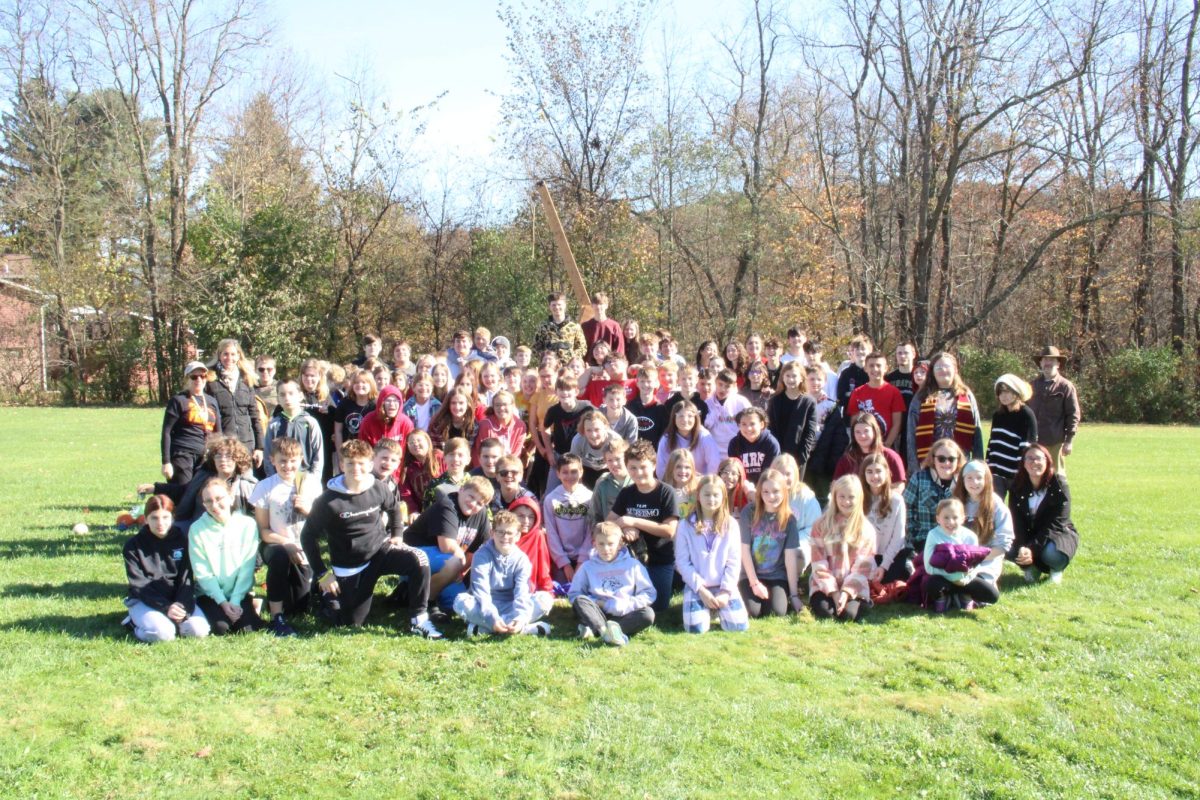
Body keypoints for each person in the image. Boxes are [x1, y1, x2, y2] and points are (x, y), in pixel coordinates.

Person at [301, 440, 442, 637]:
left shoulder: (378, 487)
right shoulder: (328, 501)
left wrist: (397, 535)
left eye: (361, 463)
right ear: (341, 465)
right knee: (350, 623)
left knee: (419, 559)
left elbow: (394, 509)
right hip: (350, 564)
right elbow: (307, 537)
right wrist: (322, 574)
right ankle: (326, 594)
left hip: (380, 550)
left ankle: (418, 619)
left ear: (370, 464)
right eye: (350, 463)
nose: (356, 468)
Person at [251, 436, 320, 637]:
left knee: (299, 608)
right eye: (282, 461)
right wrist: (287, 543)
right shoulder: (265, 486)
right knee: (280, 556)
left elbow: (322, 526)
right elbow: (263, 530)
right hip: (275, 543)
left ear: (300, 459)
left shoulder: (311, 483)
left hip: (303, 548)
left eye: (292, 461)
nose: (288, 466)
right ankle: (276, 616)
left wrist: (309, 511)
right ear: (272, 460)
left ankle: (277, 600)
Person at [122, 494, 210, 642]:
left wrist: (181, 605)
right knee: (163, 635)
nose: (160, 523)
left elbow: (186, 579)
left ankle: (171, 622)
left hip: (177, 600)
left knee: (199, 631)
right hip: (145, 599)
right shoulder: (133, 546)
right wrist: (165, 607)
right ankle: (134, 624)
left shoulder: (183, 541)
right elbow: (139, 585)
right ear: (146, 518)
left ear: (173, 517)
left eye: (165, 517)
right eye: (154, 518)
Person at [452, 510, 554, 637]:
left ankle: (489, 628)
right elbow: (481, 590)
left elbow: (521, 592)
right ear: (492, 533)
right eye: (500, 532)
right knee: (460, 601)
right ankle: (522, 629)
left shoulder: (522, 559)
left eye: (510, 533)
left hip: (511, 605)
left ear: (518, 536)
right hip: (484, 605)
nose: (505, 537)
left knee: (545, 599)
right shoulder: (481, 555)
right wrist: (492, 617)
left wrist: (519, 617)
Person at [608, 439, 680, 616]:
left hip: (661, 560)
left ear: (654, 465)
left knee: (659, 607)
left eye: (643, 467)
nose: (638, 472)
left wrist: (633, 521)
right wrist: (623, 528)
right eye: (632, 468)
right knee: (629, 605)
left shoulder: (666, 492)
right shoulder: (627, 493)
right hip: (632, 562)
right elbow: (607, 524)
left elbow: (670, 530)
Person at [402, 475, 494, 612]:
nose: (474, 504)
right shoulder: (448, 505)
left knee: (456, 604)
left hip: (445, 562)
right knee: (455, 562)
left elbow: (474, 551)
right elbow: (447, 545)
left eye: (480, 503)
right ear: (461, 490)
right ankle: (426, 602)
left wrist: (460, 573)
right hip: (412, 556)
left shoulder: (481, 515)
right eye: (471, 497)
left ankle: (407, 593)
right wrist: (460, 566)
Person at [675, 475, 749, 634]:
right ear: (698, 497)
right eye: (707, 494)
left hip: (722, 586)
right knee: (696, 629)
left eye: (716, 495)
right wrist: (701, 590)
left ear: (723, 497)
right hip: (698, 587)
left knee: (738, 627)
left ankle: (716, 609)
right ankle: (704, 608)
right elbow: (682, 563)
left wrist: (726, 591)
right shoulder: (685, 525)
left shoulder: (731, 524)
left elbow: (734, 561)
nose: (711, 499)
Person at [188, 478, 262, 635]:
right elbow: (203, 572)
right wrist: (222, 602)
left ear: (230, 497)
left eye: (218, 499)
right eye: (208, 501)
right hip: (211, 595)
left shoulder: (248, 525)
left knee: (247, 629)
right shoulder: (196, 529)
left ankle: (253, 604)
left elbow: (247, 568)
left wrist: (235, 601)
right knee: (221, 628)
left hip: (238, 592)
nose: (214, 506)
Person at [569, 521, 657, 646]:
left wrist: (628, 605)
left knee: (648, 614)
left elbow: (649, 593)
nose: (606, 549)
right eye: (601, 544)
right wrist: (601, 603)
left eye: (611, 544)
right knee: (580, 601)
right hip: (598, 612)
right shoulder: (587, 567)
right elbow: (574, 594)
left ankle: (608, 631)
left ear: (620, 544)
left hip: (625, 613)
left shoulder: (633, 565)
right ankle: (604, 632)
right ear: (594, 544)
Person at [808, 475, 876, 622]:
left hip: (853, 587)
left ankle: (861, 603)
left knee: (847, 615)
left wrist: (845, 592)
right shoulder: (820, 525)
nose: (846, 501)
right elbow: (818, 563)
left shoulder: (866, 529)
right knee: (825, 612)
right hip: (823, 585)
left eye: (851, 497)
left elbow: (862, 568)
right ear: (835, 497)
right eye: (842, 496)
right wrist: (833, 592)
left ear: (859, 499)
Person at [1008, 444, 1079, 584]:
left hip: (1057, 534)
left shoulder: (1059, 484)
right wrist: (1022, 547)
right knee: (1006, 547)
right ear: (1023, 463)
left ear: (1047, 461)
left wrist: (1031, 548)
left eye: (1039, 458)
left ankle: (1056, 570)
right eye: (1029, 458)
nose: (1034, 462)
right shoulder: (1017, 486)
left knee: (1052, 554)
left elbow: (1056, 523)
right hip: (1030, 534)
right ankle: (1032, 568)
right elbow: (1016, 522)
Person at [738, 470, 803, 618]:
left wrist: (794, 595)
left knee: (777, 612)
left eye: (775, 491)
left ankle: (779, 597)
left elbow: (790, 557)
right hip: (750, 575)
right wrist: (754, 583)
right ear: (759, 492)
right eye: (765, 491)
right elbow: (744, 550)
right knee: (753, 611)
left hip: (776, 576)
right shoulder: (749, 512)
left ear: (784, 492)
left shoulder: (789, 519)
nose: (770, 496)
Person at [906, 351, 983, 472]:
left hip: (960, 462)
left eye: (947, 366)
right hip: (930, 462)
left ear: (955, 370)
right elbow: (911, 433)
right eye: (938, 367)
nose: (943, 370)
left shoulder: (966, 395)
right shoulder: (921, 397)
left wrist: (978, 464)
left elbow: (977, 431)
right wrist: (914, 468)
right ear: (932, 372)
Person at [921, 498, 999, 612]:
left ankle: (964, 595)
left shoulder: (970, 536)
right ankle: (943, 598)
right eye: (946, 517)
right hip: (943, 578)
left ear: (963, 519)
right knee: (932, 584)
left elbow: (975, 564)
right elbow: (929, 567)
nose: (950, 522)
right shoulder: (933, 535)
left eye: (955, 517)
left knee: (992, 595)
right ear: (938, 519)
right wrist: (953, 578)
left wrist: (965, 580)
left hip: (964, 580)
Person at [953, 460, 1014, 596]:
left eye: (979, 478)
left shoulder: (996, 505)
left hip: (987, 559)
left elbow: (1003, 544)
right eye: (969, 478)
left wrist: (976, 560)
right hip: (959, 559)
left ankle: (967, 591)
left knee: (983, 588)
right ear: (962, 480)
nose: (974, 482)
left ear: (986, 479)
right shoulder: (956, 502)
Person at [168, 435, 258, 527]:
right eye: (218, 456)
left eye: (228, 456)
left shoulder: (247, 485)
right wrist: (156, 488)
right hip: (201, 528)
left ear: (237, 459)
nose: (223, 460)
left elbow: (255, 516)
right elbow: (185, 490)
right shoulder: (202, 478)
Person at [160, 359, 221, 486]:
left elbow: (218, 433)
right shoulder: (178, 401)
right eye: (194, 377)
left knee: (201, 493)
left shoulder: (212, 401)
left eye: (202, 376)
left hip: (205, 456)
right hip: (183, 454)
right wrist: (166, 462)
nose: (198, 379)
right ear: (187, 380)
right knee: (182, 491)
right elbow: (166, 432)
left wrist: (218, 455)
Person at [205, 339, 264, 469]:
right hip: (223, 444)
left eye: (233, 354)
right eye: (225, 354)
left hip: (246, 444)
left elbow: (254, 415)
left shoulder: (247, 379)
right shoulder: (210, 381)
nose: (229, 358)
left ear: (238, 356)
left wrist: (260, 447)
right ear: (219, 355)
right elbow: (208, 417)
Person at [903, 438, 965, 557]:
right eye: (941, 459)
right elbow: (906, 508)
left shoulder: (964, 482)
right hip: (923, 538)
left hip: (954, 539)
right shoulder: (919, 478)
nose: (946, 463)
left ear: (958, 460)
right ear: (933, 459)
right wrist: (912, 534)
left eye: (951, 459)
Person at [1027, 345, 1081, 476]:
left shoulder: (1066, 387)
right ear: (1040, 363)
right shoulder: (1031, 386)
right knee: (1033, 476)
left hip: (1055, 442)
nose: (1047, 363)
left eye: (1051, 360)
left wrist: (1069, 441)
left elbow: (1073, 414)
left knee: (1057, 477)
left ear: (1058, 363)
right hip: (1033, 442)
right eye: (1045, 359)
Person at [543, 453, 594, 583]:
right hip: (561, 558)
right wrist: (565, 564)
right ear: (558, 474)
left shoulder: (590, 497)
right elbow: (551, 533)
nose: (570, 476)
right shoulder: (550, 499)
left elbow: (591, 532)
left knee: (584, 589)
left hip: (585, 556)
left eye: (574, 471)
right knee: (561, 591)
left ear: (581, 472)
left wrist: (581, 561)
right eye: (565, 472)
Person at [986, 374, 1038, 498]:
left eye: (1006, 392)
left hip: (1016, 473)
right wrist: (988, 465)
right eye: (1000, 393)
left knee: (1016, 511)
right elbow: (993, 442)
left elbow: (1027, 445)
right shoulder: (998, 415)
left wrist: (1021, 471)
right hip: (997, 472)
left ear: (1016, 392)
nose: (1003, 396)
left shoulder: (1026, 414)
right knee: (995, 509)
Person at [860, 453, 909, 583]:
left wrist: (883, 566)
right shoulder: (858, 498)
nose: (874, 476)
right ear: (863, 474)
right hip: (865, 554)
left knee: (888, 580)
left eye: (878, 471)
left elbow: (898, 537)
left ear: (886, 473)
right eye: (869, 472)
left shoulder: (897, 500)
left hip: (891, 554)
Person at [767, 361, 819, 479]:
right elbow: (771, 429)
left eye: (794, 376)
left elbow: (810, 433)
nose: (791, 379)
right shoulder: (775, 400)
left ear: (801, 378)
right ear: (782, 378)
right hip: (777, 457)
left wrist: (801, 458)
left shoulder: (809, 402)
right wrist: (776, 456)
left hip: (798, 458)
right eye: (788, 376)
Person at [263, 380, 324, 480]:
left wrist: (314, 479)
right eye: (282, 395)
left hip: (306, 478)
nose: (287, 398)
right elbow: (268, 456)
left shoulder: (310, 422)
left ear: (300, 396)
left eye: (291, 394)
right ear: (278, 398)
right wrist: (273, 479)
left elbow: (318, 455)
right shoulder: (273, 425)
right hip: (280, 479)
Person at [846, 351, 906, 449]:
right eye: (871, 365)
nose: (875, 369)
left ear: (886, 368)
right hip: (863, 446)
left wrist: (886, 445)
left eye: (879, 365)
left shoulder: (894, 392)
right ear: (865, 368)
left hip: (886, 446)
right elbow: (854, 422)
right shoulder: (857, 393)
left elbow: (897, 423)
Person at [833, 412, 907, 486]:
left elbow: (899, 485)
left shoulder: (891, 456)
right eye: (857, 432)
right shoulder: (847, 459)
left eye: (866, 431)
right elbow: (835, 485)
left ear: (875, 432)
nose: (862, 435)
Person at [655, 400, 720, 479]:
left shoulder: (704, 436)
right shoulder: (667, 439)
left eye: (690, 416)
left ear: (696, 418)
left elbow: (714, 465)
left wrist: (705, 482)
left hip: (700, 483)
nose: (685, 420)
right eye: (680, 416)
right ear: (674, 418)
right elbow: (661, 468)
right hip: (674, 483)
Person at [298, 358, 338, 484]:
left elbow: (337, 423)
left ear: (319, 377)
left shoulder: (325, 397)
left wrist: (329, 413)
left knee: (322, 482)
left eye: (313, 376)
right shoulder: (296, 394)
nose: (309, 379)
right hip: (300, 447)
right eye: (306, 375)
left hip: (322, 448)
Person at [509, 495, 554, 599]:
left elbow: (544, 568)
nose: (526, 521)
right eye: (520, 516)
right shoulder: (504, 535)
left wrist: (547, 591)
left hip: (527, 590)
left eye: (531, 517)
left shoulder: (538, 536)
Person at [332, 370, 378, 467]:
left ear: (371, 385)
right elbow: (338, 431)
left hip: (369, 453)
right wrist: (341, 455)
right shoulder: (345, 403)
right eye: (356, 382)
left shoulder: (376, 405)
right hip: (348, 452)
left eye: (364, 382)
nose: (360, 385)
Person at [727, 407, 781, 485]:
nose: (748, 428)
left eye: (752, 424)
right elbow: (734, 471)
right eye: (744, 424)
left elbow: (770, 473)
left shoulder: (771, 443)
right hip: (742, 487)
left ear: (761, 424)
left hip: (764, 487)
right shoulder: (734, 443)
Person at [569, 409, 622, 488]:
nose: (593, 435)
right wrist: (578, 487)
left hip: (608, 469)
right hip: (586, 469)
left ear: (605, 427)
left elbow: (620, 464)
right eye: (588, 430)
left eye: (597, 430)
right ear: (583, 430)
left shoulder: (614, 439)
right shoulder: (578, 441)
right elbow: (574, 464)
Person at [473, 390, 527, 466]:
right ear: (493, 407)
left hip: (508, 468)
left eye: (505, 404)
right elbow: (480, 453)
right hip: (487, 467)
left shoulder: (520, 426)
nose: (501, 408)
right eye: (497, 405)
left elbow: (516, 454)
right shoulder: (485, 425)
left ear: (512, 405)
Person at [398, 431, 444, 517]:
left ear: (427, 441)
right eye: (411, 442)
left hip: (443, 508)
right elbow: (406, 493)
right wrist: (413, 511)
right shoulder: (407, 467)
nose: (415, 444)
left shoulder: (440, 457)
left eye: (419, 440)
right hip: (421, 513)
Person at [705, 368, 752, 454]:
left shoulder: (741, 402)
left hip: (737, 450)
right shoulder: (707, 404)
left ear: (734, 386)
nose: (722, 389)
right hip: (714, 451)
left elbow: (751, 422)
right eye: (720, 384)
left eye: (727, 386)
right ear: (715, 382)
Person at [533, 291, 587, 364]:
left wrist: (572, 358)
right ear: (549, 306)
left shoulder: (574, 326)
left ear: (564, 305)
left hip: (569, 367)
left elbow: (582, 347)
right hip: (549, 367)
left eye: (559, 304)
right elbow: (536, 348)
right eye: (553, 305)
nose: (557, 307)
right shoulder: (543, 327)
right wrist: (545, 358)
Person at [589, 437, 631, 524]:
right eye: (610, 460)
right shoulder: (602, 483)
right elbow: (594, 514)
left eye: (618, 459)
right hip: (610, 532)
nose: (614, 464)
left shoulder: (637, 481)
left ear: (627, 458)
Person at [886, 341, 918, 452]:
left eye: (906, 353)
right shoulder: (889, 378)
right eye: (899, 353)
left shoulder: (919, 376)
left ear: (913, 354)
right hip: (895, 425)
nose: (902, 356)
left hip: (914, 423)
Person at [626, 363, 668, 446]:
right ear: (637, 383)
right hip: (633, 453)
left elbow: (664, 434)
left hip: (653, 453)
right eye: (642, 381)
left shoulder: (661, 409)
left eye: (649, 381)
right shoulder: (630, 406)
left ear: (656, 383)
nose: (645, 385)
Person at [423, 437, 471, 507]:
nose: (455, 459)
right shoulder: (435, 485)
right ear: (444, 459)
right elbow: (427, 514)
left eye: (460, 455)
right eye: (451, 454)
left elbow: (485, 515)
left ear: (468, 460)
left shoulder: (474, 484)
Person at [429, 387, 478, 452]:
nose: (457, 407)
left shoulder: (473, 426)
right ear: (448, 405)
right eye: (453, 403)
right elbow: (436, 451)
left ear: (468, 404)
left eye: (461, 403)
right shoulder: (438, 424)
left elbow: (469, 451)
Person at [581, 291, 624, 364]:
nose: (598, 307)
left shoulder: (614, 326)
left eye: (601, 304)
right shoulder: (585, 326)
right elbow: (581, 348)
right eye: (596, 304)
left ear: (606, 305)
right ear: (592, 305)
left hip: (609, 365)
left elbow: (619, 349)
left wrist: (614, 363)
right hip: (589, 365)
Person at [835, 335, 872, 406]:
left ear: (869, 351)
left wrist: (851, 394)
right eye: (857, 349)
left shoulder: (873, 373)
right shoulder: (846, 374)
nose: (860, 351)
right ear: (852, 352)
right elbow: (841, 397)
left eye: (863, 349)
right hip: (851, 414)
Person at [662, 447, 699, 519]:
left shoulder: (698, 490)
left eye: (687, 467)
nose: (683, 471)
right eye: (678, 467)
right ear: (671, 469)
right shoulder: (664, 492)